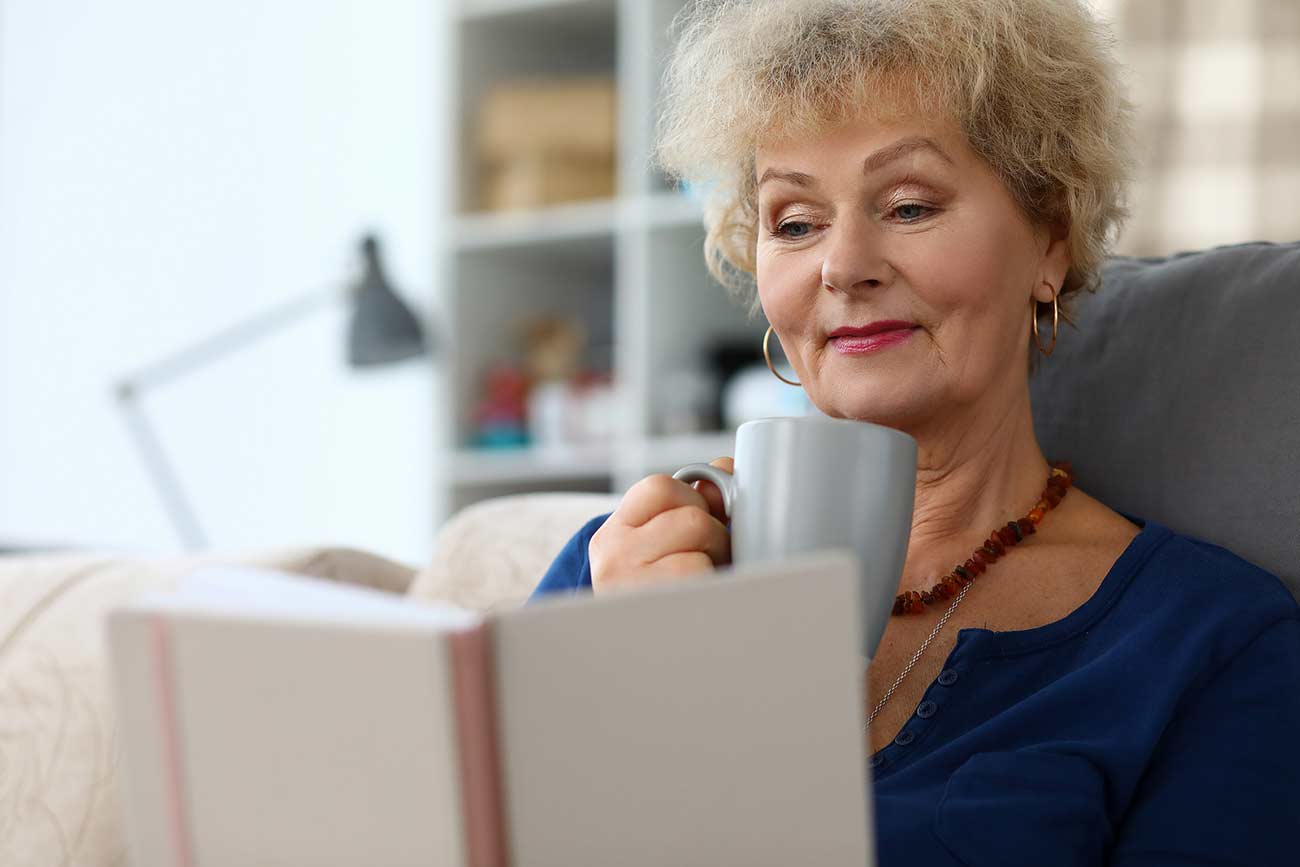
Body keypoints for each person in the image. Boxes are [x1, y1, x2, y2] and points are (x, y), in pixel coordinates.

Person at [528, 0, 1300, 863]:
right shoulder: (619, 573)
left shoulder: (1212, 643)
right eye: (794, 222)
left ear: (1050, 239)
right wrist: (632, 695)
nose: (843, 266)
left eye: (907, 206)